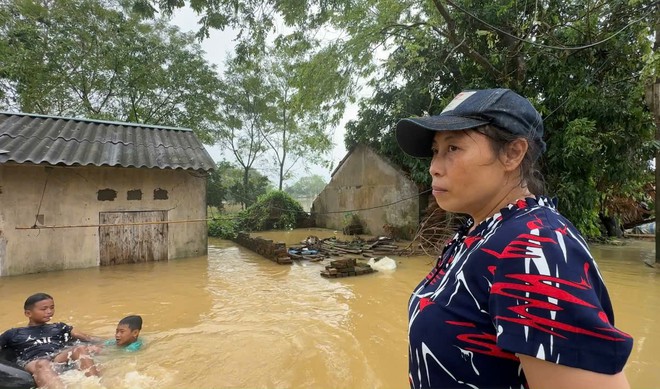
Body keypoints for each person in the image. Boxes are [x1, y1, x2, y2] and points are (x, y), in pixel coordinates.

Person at [396, 88, 633, 389]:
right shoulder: (479, 234)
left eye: (453, 148)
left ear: (512, 153)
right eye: (435, 150)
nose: (434, 167)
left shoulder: (534, 248)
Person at [0, 293, 101, 389]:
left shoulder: (59, 327)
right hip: (33, 362)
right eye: (44, 309)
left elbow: (88, 338)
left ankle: (96, 385)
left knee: (80, 349)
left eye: (52, 308)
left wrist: (109, 343)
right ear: (28, 313)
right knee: (43, 363)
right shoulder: (14, 333)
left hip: (57, 358)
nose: (49, 311)